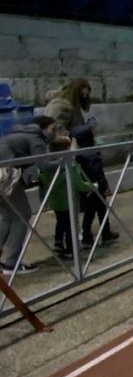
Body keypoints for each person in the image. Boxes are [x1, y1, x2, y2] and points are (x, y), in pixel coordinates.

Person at [0, 115, 59, 274]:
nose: (55, 134)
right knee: (22, 214)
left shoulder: (16, 133)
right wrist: (65, 159)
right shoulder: (36, 138)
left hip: (3, 172)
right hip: (5, 174)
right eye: (53, 129)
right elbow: (43, 164)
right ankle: (11, 263)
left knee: (7, 215)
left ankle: (4, 262)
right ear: (42, 128)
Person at [40, 137, 93, 259]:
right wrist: (93, 187)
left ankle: (58, 243)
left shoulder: (47, 166)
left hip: (55, 201)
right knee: (71, 224)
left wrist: (43, 199)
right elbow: (79, 184)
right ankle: (71, 248)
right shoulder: (70, 165)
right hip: (68, 200)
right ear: (66, 149)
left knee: (61, 221)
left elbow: (43, 185)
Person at [71, 124, 118, 248]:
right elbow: (98, 172)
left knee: (95, 212)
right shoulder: (91, 154)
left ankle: (102, 234)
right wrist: (104, 185)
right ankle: (91, 237)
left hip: (87, 188)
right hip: (94, 188)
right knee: (95, 213)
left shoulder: (79, 155)